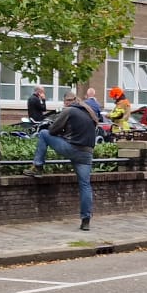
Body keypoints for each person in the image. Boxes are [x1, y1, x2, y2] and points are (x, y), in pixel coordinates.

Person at [32, 89, 99, 230]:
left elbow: (52, 130)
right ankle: (86, 220)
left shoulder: (69, 111)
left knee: (43, 134)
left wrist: (58, 130)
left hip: (72, 148)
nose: (64, 104)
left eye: (64, 102)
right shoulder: (89, 112)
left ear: (68, 101)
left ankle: (38, 166)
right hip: (87, 154)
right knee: (85, 185)